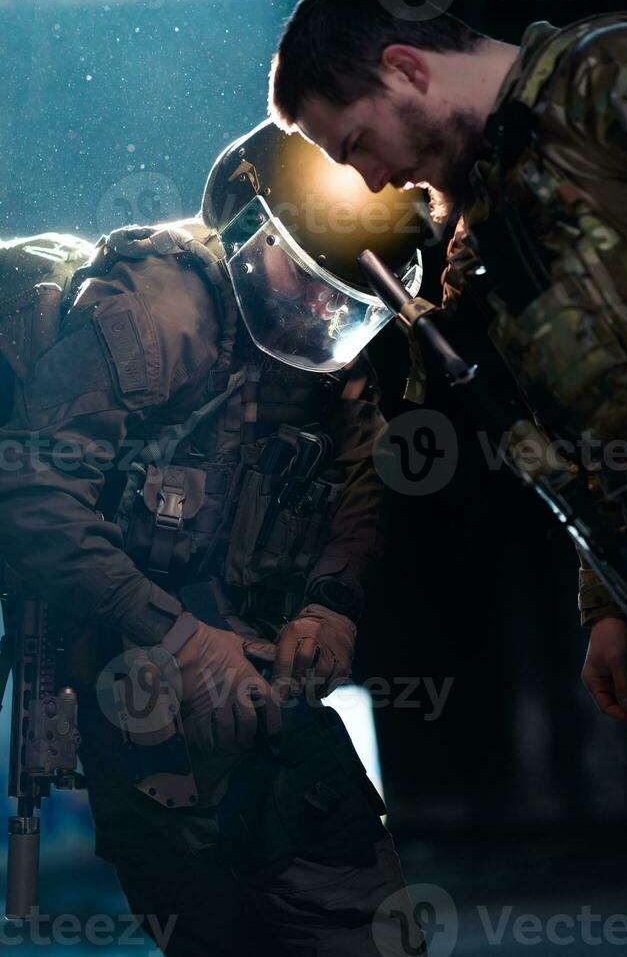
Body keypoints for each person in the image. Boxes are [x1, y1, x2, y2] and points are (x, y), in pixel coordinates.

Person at [0, 119, 428, 955]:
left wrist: (331, 604)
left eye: (342, 306)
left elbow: (360, 477)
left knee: (362, 911)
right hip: (127, 642)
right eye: (304, 280)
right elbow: (34, 503)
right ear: (243, 229)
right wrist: (184, 643)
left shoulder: (324, 338)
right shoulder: (153, 314)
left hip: (243, 643)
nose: (320, 311)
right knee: (212, 921)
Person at [268, 0, 627, 794]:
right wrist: (611, 600)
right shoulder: (480, 232)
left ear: (406, 69)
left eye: (358, 144)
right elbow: (585, 429)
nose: (372, 181)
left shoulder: (608, 76)